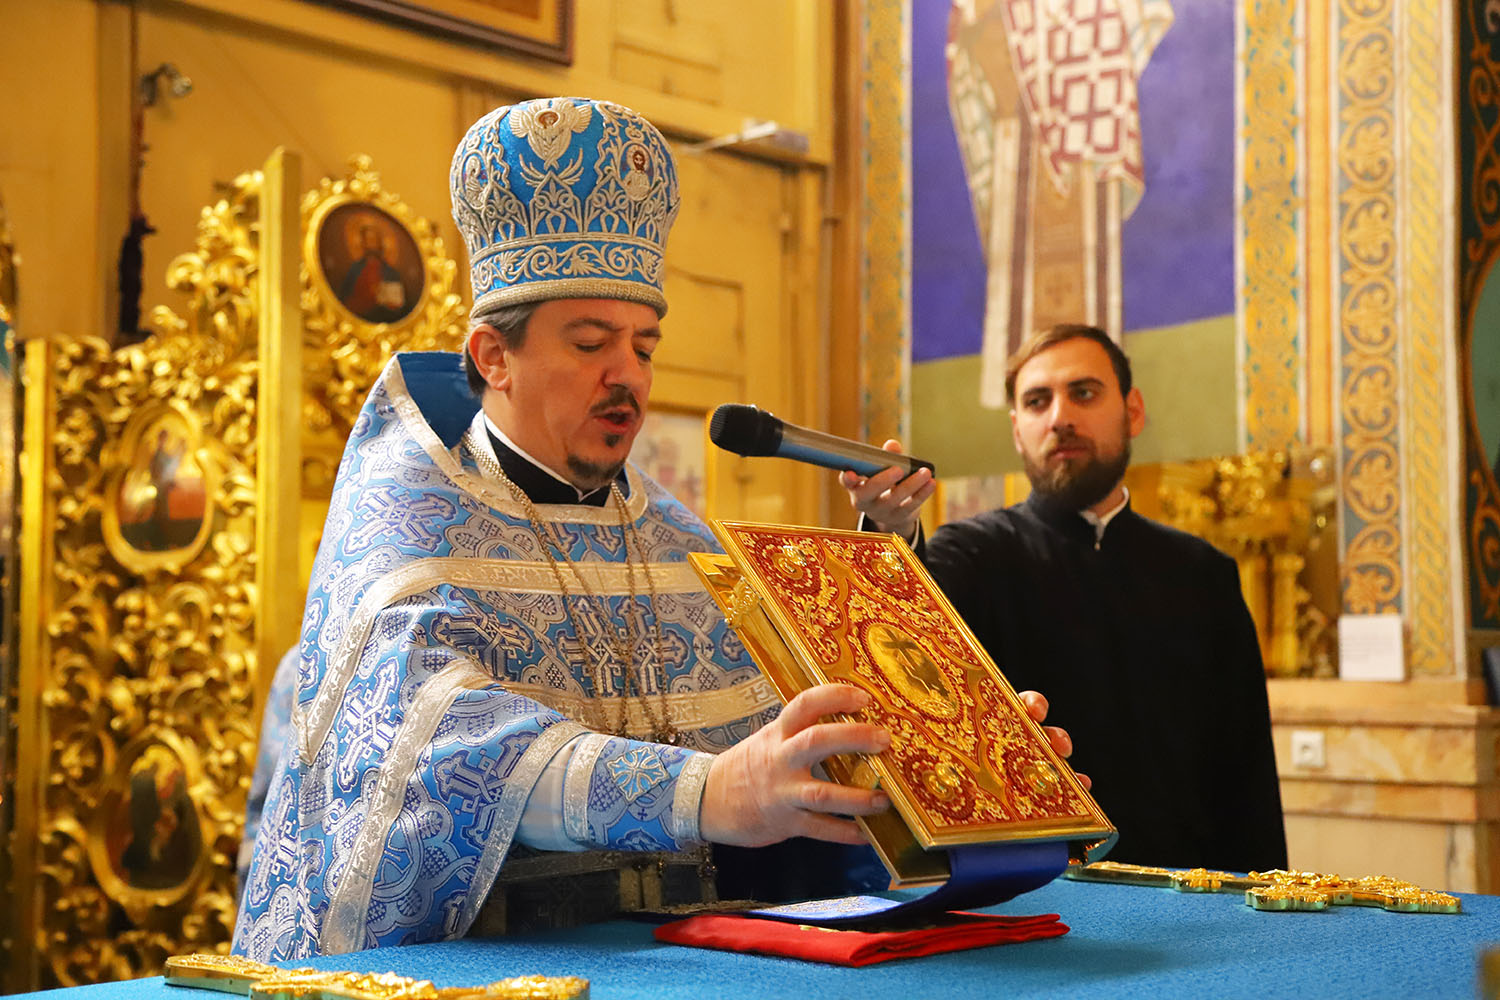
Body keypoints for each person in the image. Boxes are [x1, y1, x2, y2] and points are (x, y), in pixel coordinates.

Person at [234, 96, 1077, 960]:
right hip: (486, 970)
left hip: (691, 961)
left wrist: (956, 759)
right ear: (493, 358)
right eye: (590, 343)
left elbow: (792, 741)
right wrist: (709, 792)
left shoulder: (677, 541)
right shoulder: (406, 523)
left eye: (643, 346)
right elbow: (446, 755)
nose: (628, 377)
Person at [845, 323, 1287, 874]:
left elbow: (1245, 774)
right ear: (1017, 430)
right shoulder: (972, 555)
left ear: (1133, 412)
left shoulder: (1204, 574)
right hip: (1028, 890)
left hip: (1187, 889)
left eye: (1083, 393)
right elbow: (902, 630)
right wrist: (890, 529)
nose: (1060, 417)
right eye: (1037, 401)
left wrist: (1265, 894)